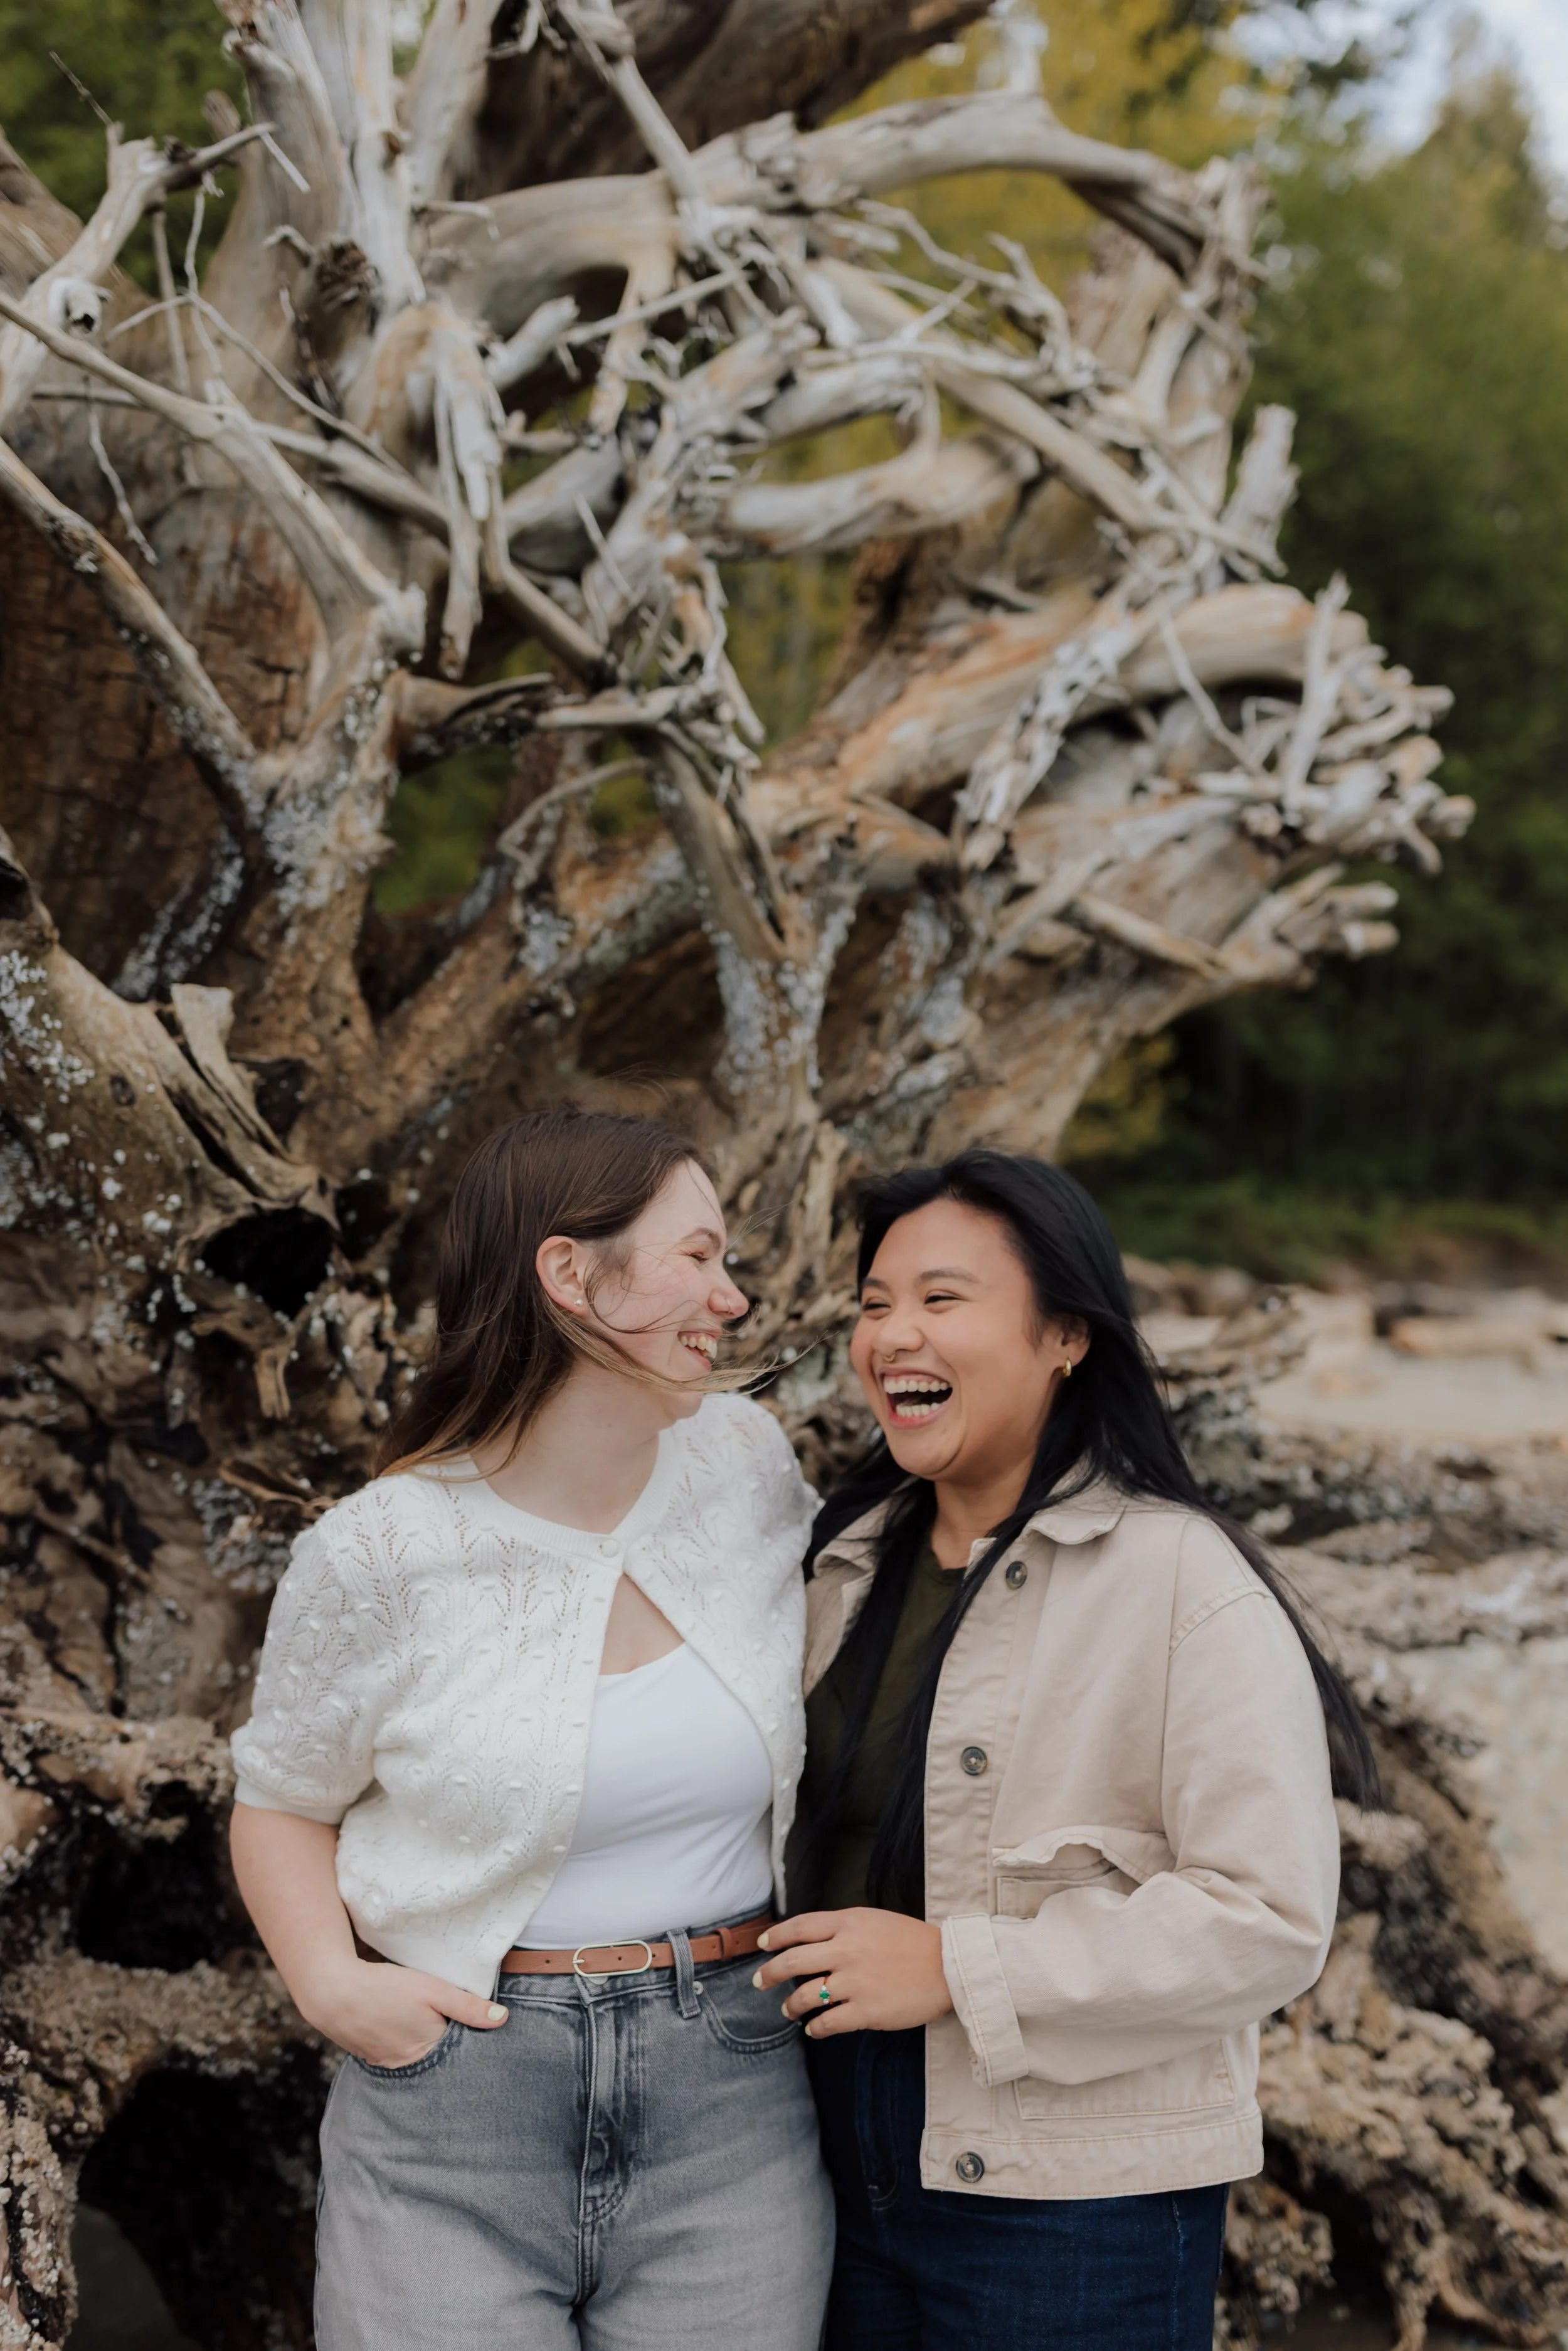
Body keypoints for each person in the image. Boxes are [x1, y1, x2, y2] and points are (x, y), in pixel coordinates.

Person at [228, 1107, 832, 2351]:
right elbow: (282, 1798)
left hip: (731, 2092)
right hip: (455, 2108)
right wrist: (331, 1983)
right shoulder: (378, 1550)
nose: (729, 1296)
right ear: (569, 1273)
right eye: (698, 1255)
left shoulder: (746, 1461)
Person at [756, 1149, 1372, 2351]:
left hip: (1073, 2199)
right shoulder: (837, 1565)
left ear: (1066, 1336)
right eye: (875, 1305)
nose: (893, 1338)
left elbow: (1269, 1918)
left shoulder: (1182, 1579)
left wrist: (957, 1970)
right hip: (820, 2157)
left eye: (943, 1300)